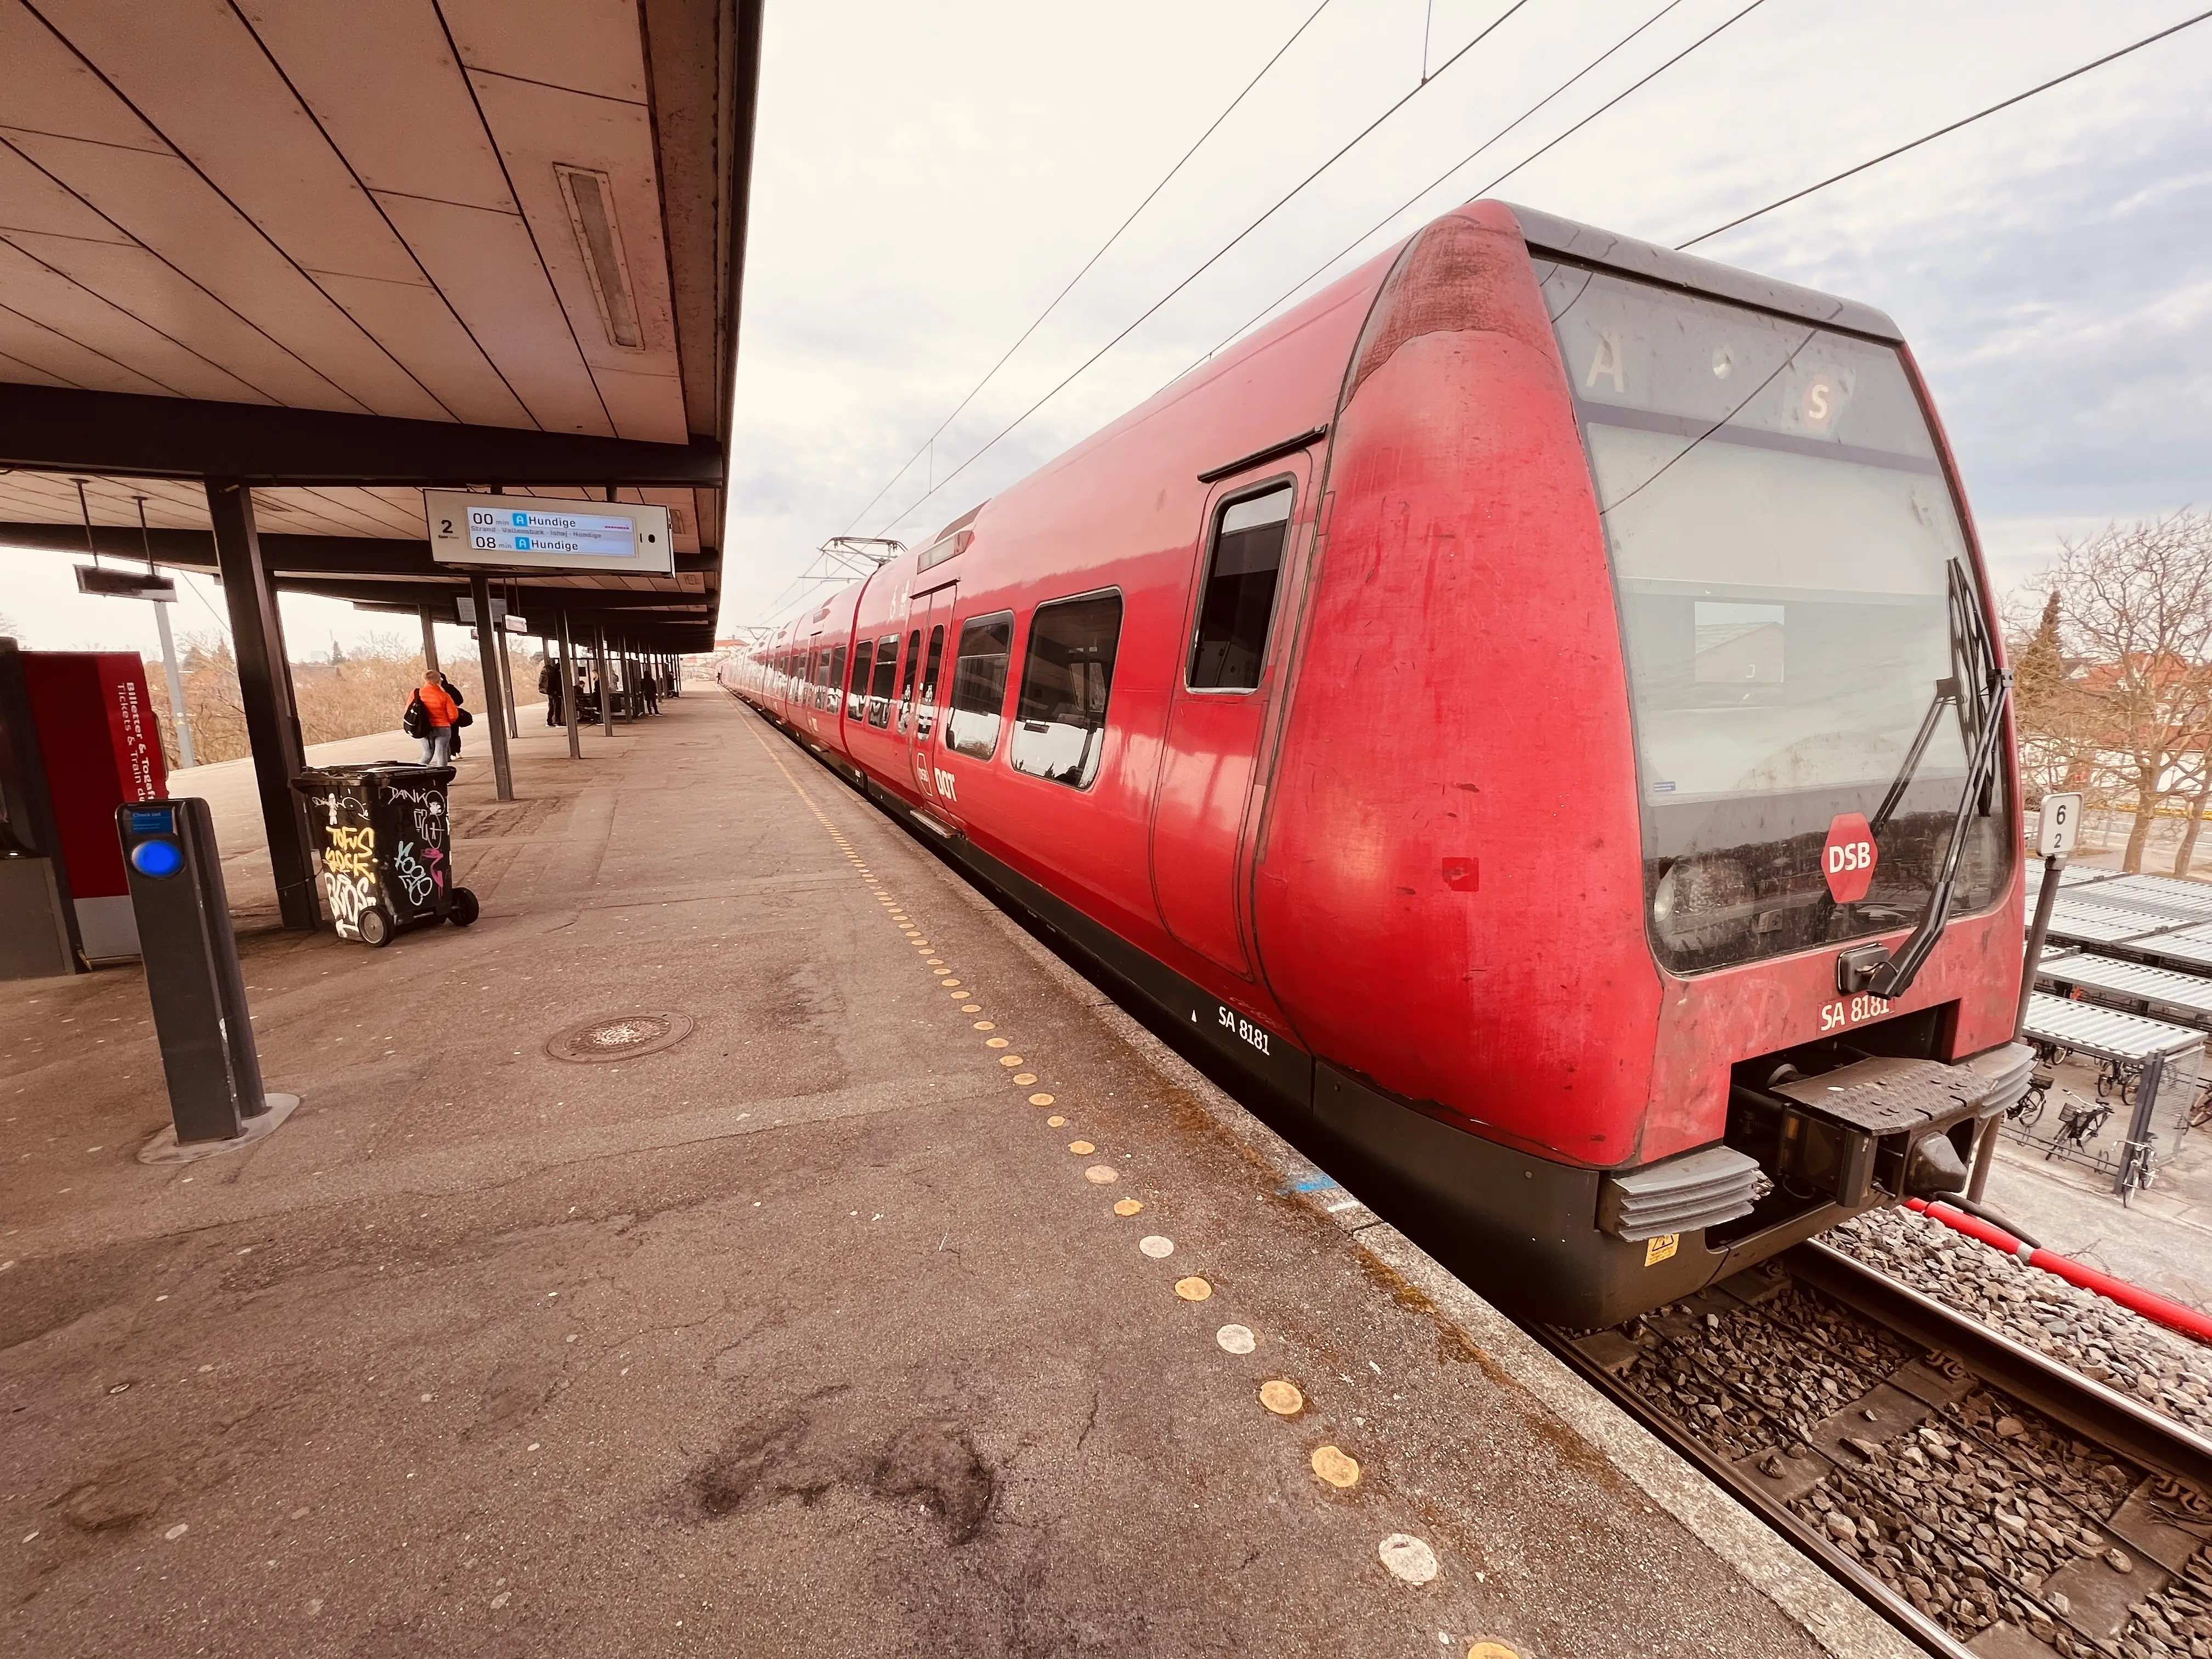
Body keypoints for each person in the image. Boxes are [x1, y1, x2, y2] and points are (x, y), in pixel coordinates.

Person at [409, 669, 460, 765]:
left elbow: (409, 710)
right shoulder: (444, 695)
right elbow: (453, 715)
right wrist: (446, 722)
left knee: (427, 754)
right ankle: (442, 778)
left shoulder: (416, 693)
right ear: (439, 680)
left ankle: (420, 775)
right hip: (442, 728)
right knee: (442, 754)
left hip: (424, 728)